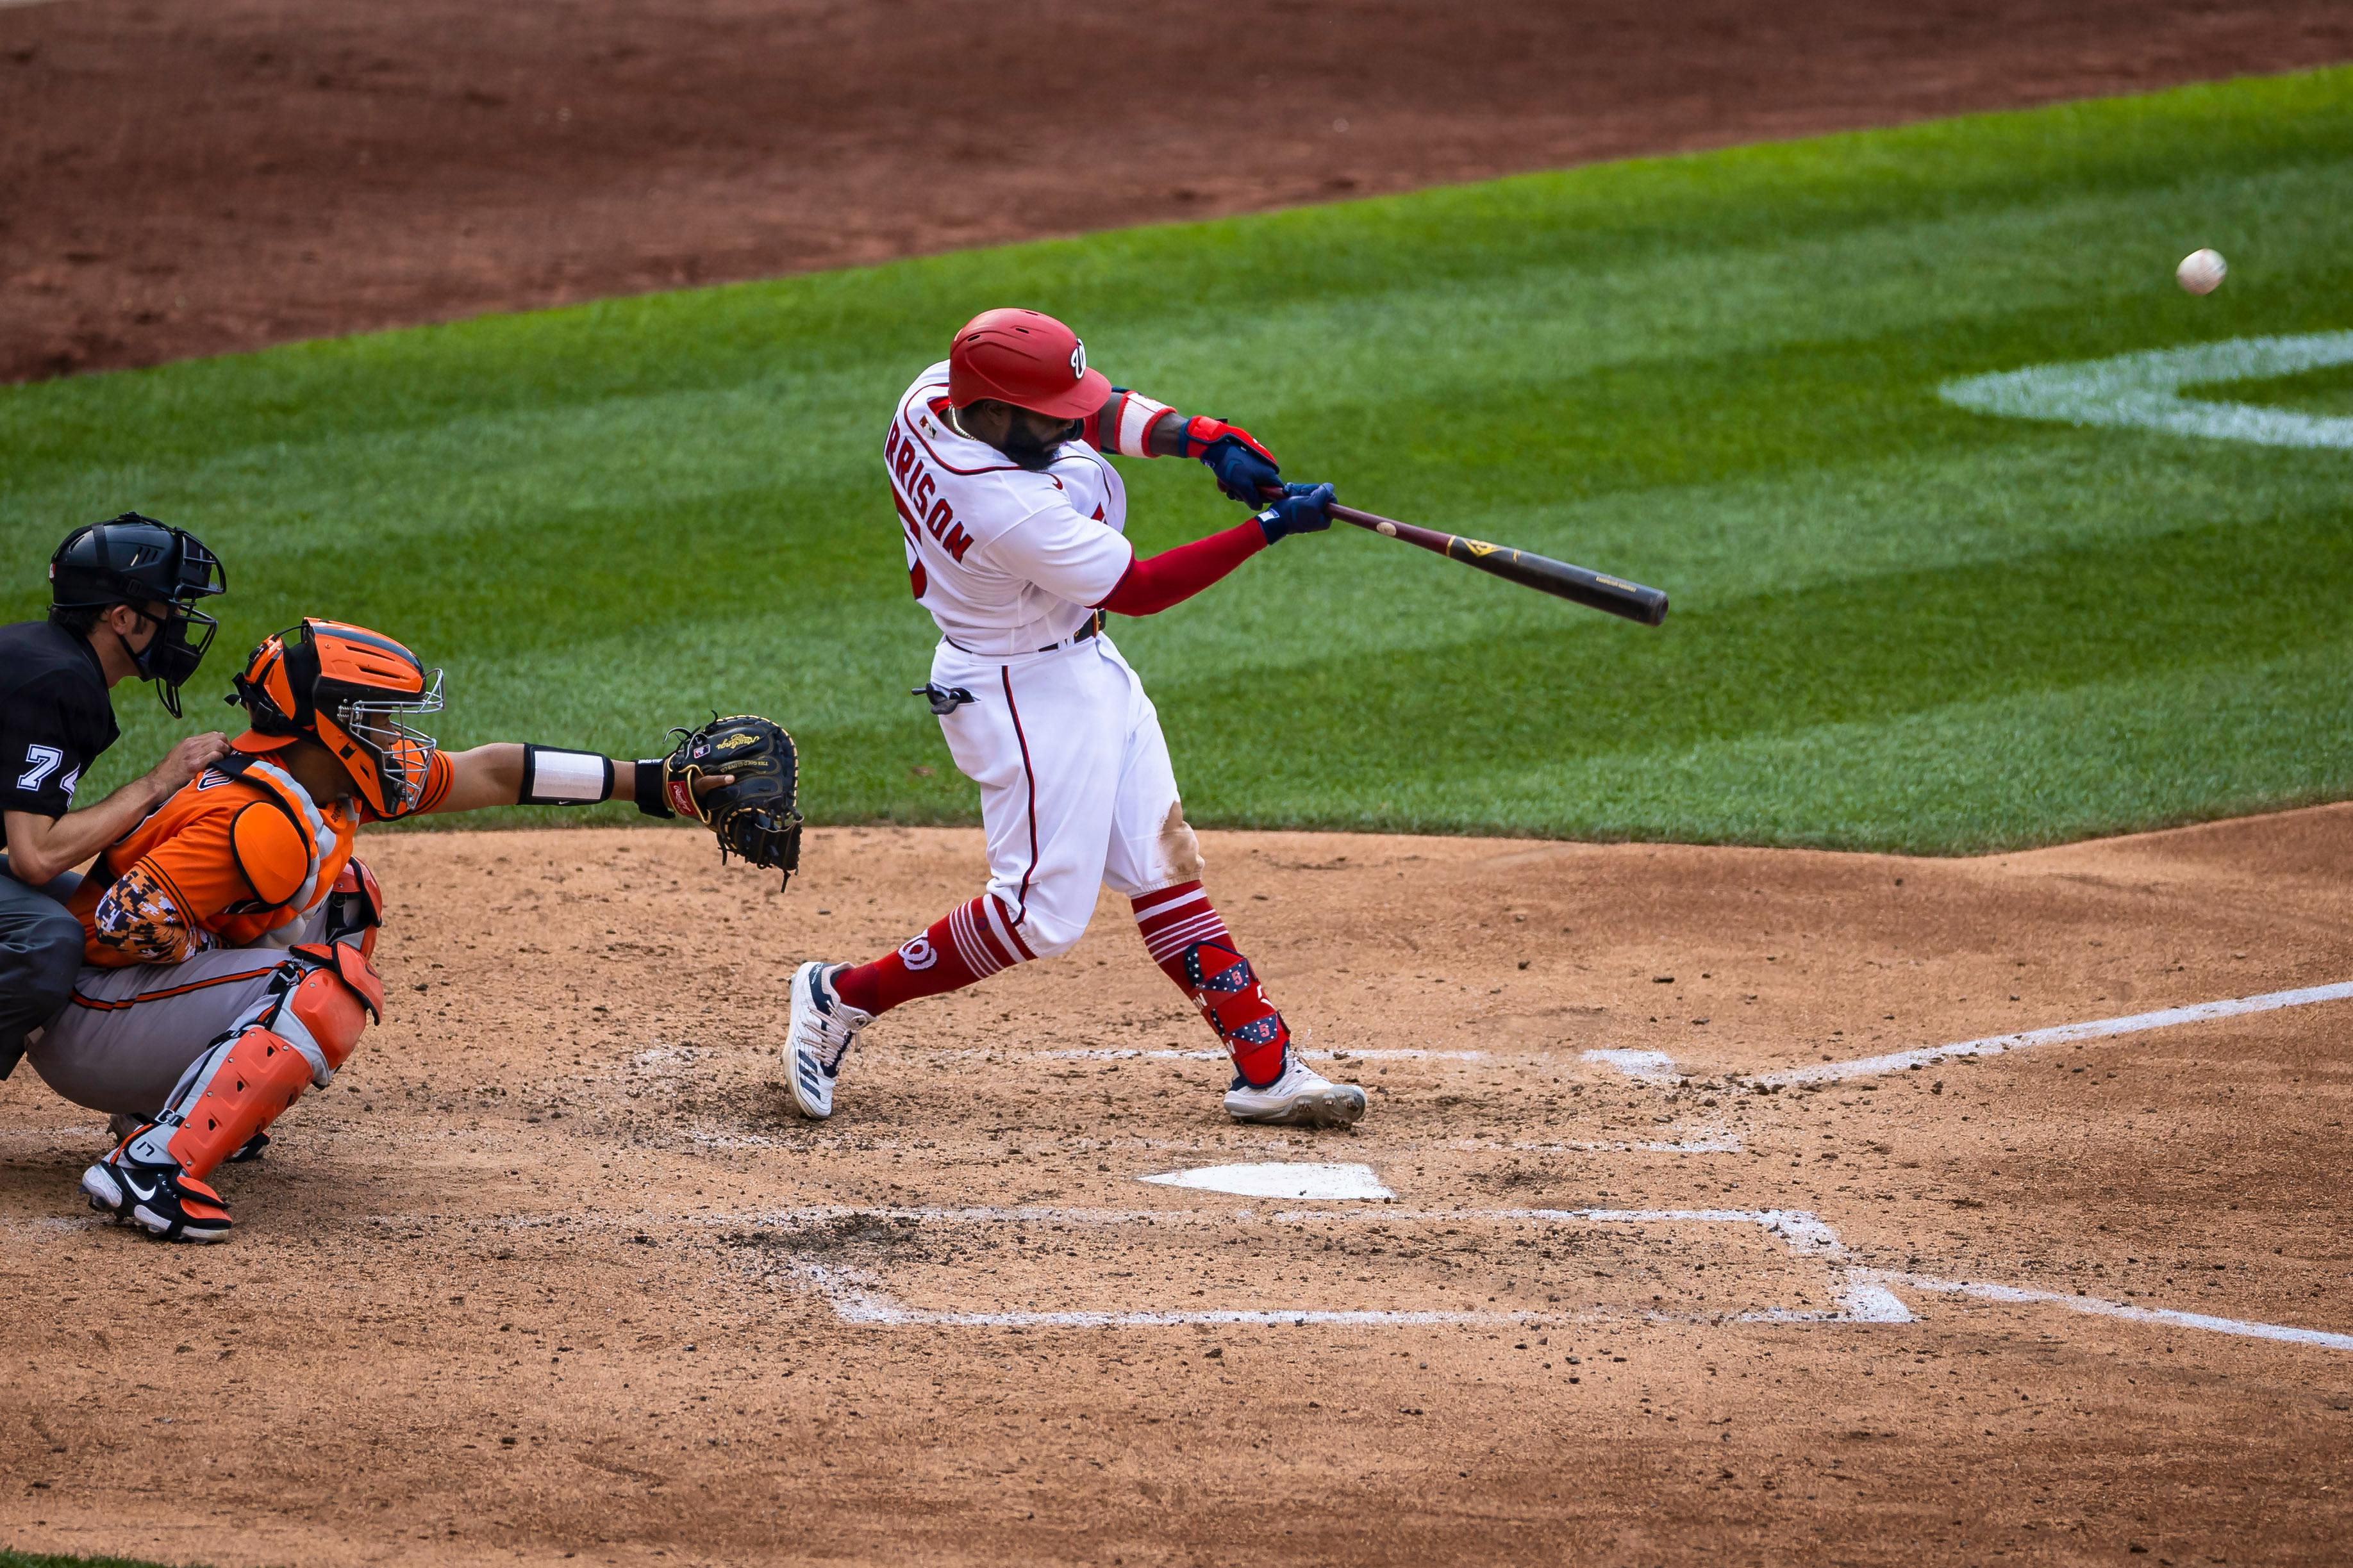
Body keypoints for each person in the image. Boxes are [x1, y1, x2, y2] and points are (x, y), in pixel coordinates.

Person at [783, 307, 1367, 1129]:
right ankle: (838, 996)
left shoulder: (933, 395)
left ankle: (1265, 1068)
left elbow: (1087, 404)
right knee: (1037, 915)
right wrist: (1268, 528)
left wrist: (1200, 438)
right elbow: (1142, 589)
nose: (1068, 422)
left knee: (1162, 863)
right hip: (1022, 691)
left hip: (1080, 664)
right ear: (988, 414)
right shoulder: (1003, 506)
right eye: (1044, 417)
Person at [31, 617, 730, 1242]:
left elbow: (489, 771)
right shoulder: (255, 819)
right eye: (379, 718)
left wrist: (651, 783)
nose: (395, 735)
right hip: (90, 1022)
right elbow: (120, 925)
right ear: (328, 723)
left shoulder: (323, 778)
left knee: (347, 897)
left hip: (130, 1004)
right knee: (319, 986)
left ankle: (185, 1105)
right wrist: (228, 948)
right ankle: (152, 1164)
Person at [1, 515, 229, 1080]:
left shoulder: (42, 657)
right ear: (122, 617)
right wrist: (157, 783)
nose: (180, 626)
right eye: (170, 611)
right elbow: (35, 857)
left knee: (104, 911)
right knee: (47, 940)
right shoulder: (58, 679)